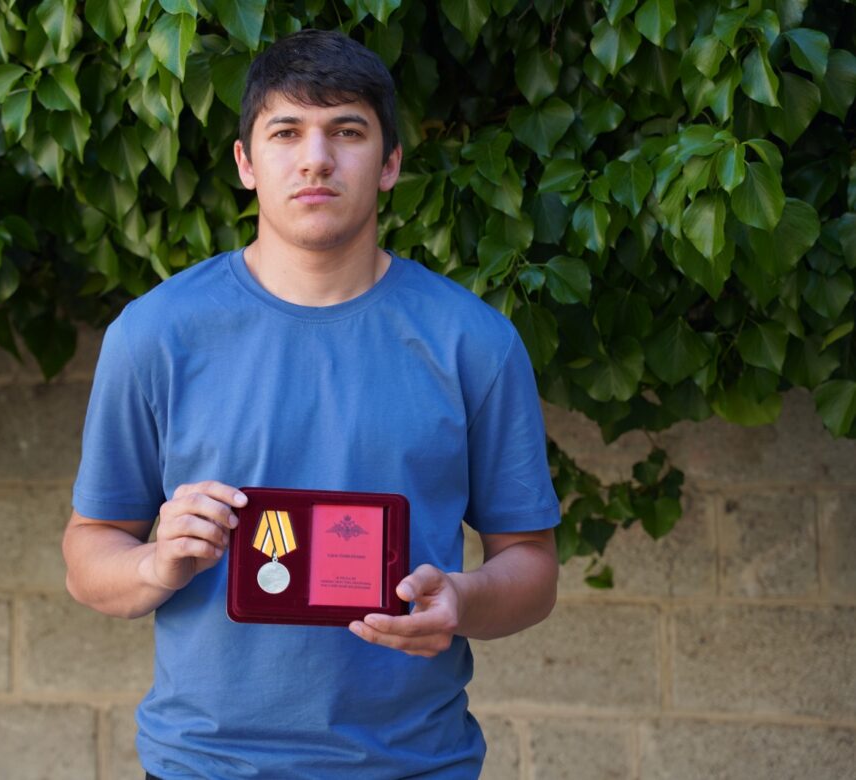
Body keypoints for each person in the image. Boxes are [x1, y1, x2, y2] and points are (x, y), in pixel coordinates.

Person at [62, 29, 560, 779]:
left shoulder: (474, 343)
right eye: (286, 132)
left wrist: (463, 598)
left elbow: (531, 566)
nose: (316, 158)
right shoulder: (156, 333)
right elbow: (88, 555)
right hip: (206, 765)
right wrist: (157, 564)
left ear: (390, 164)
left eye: (347, 132)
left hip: (413, 764)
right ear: (246, 162)